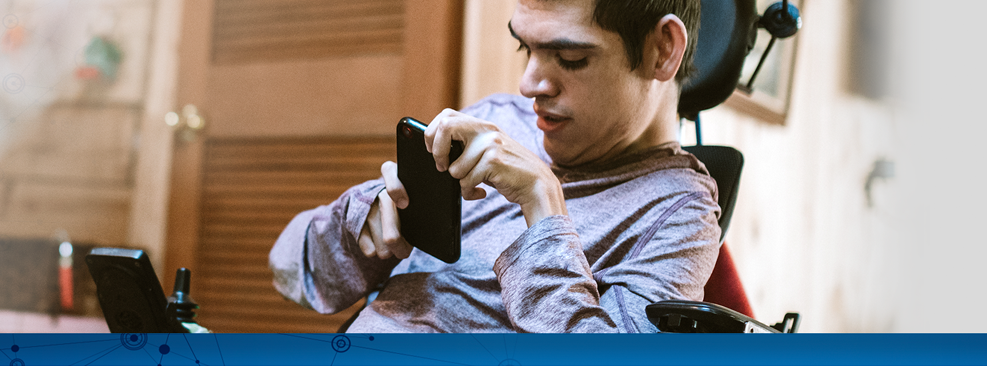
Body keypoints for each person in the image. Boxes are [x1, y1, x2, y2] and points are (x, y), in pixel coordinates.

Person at [269, 0, 720, 332]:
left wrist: (542, 207)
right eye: (525, 48)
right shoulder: (498, 122)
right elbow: (289, 270)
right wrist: (358, 226)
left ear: (663, 50)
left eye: (571, 58)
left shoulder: (681, 212)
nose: (528, 85)